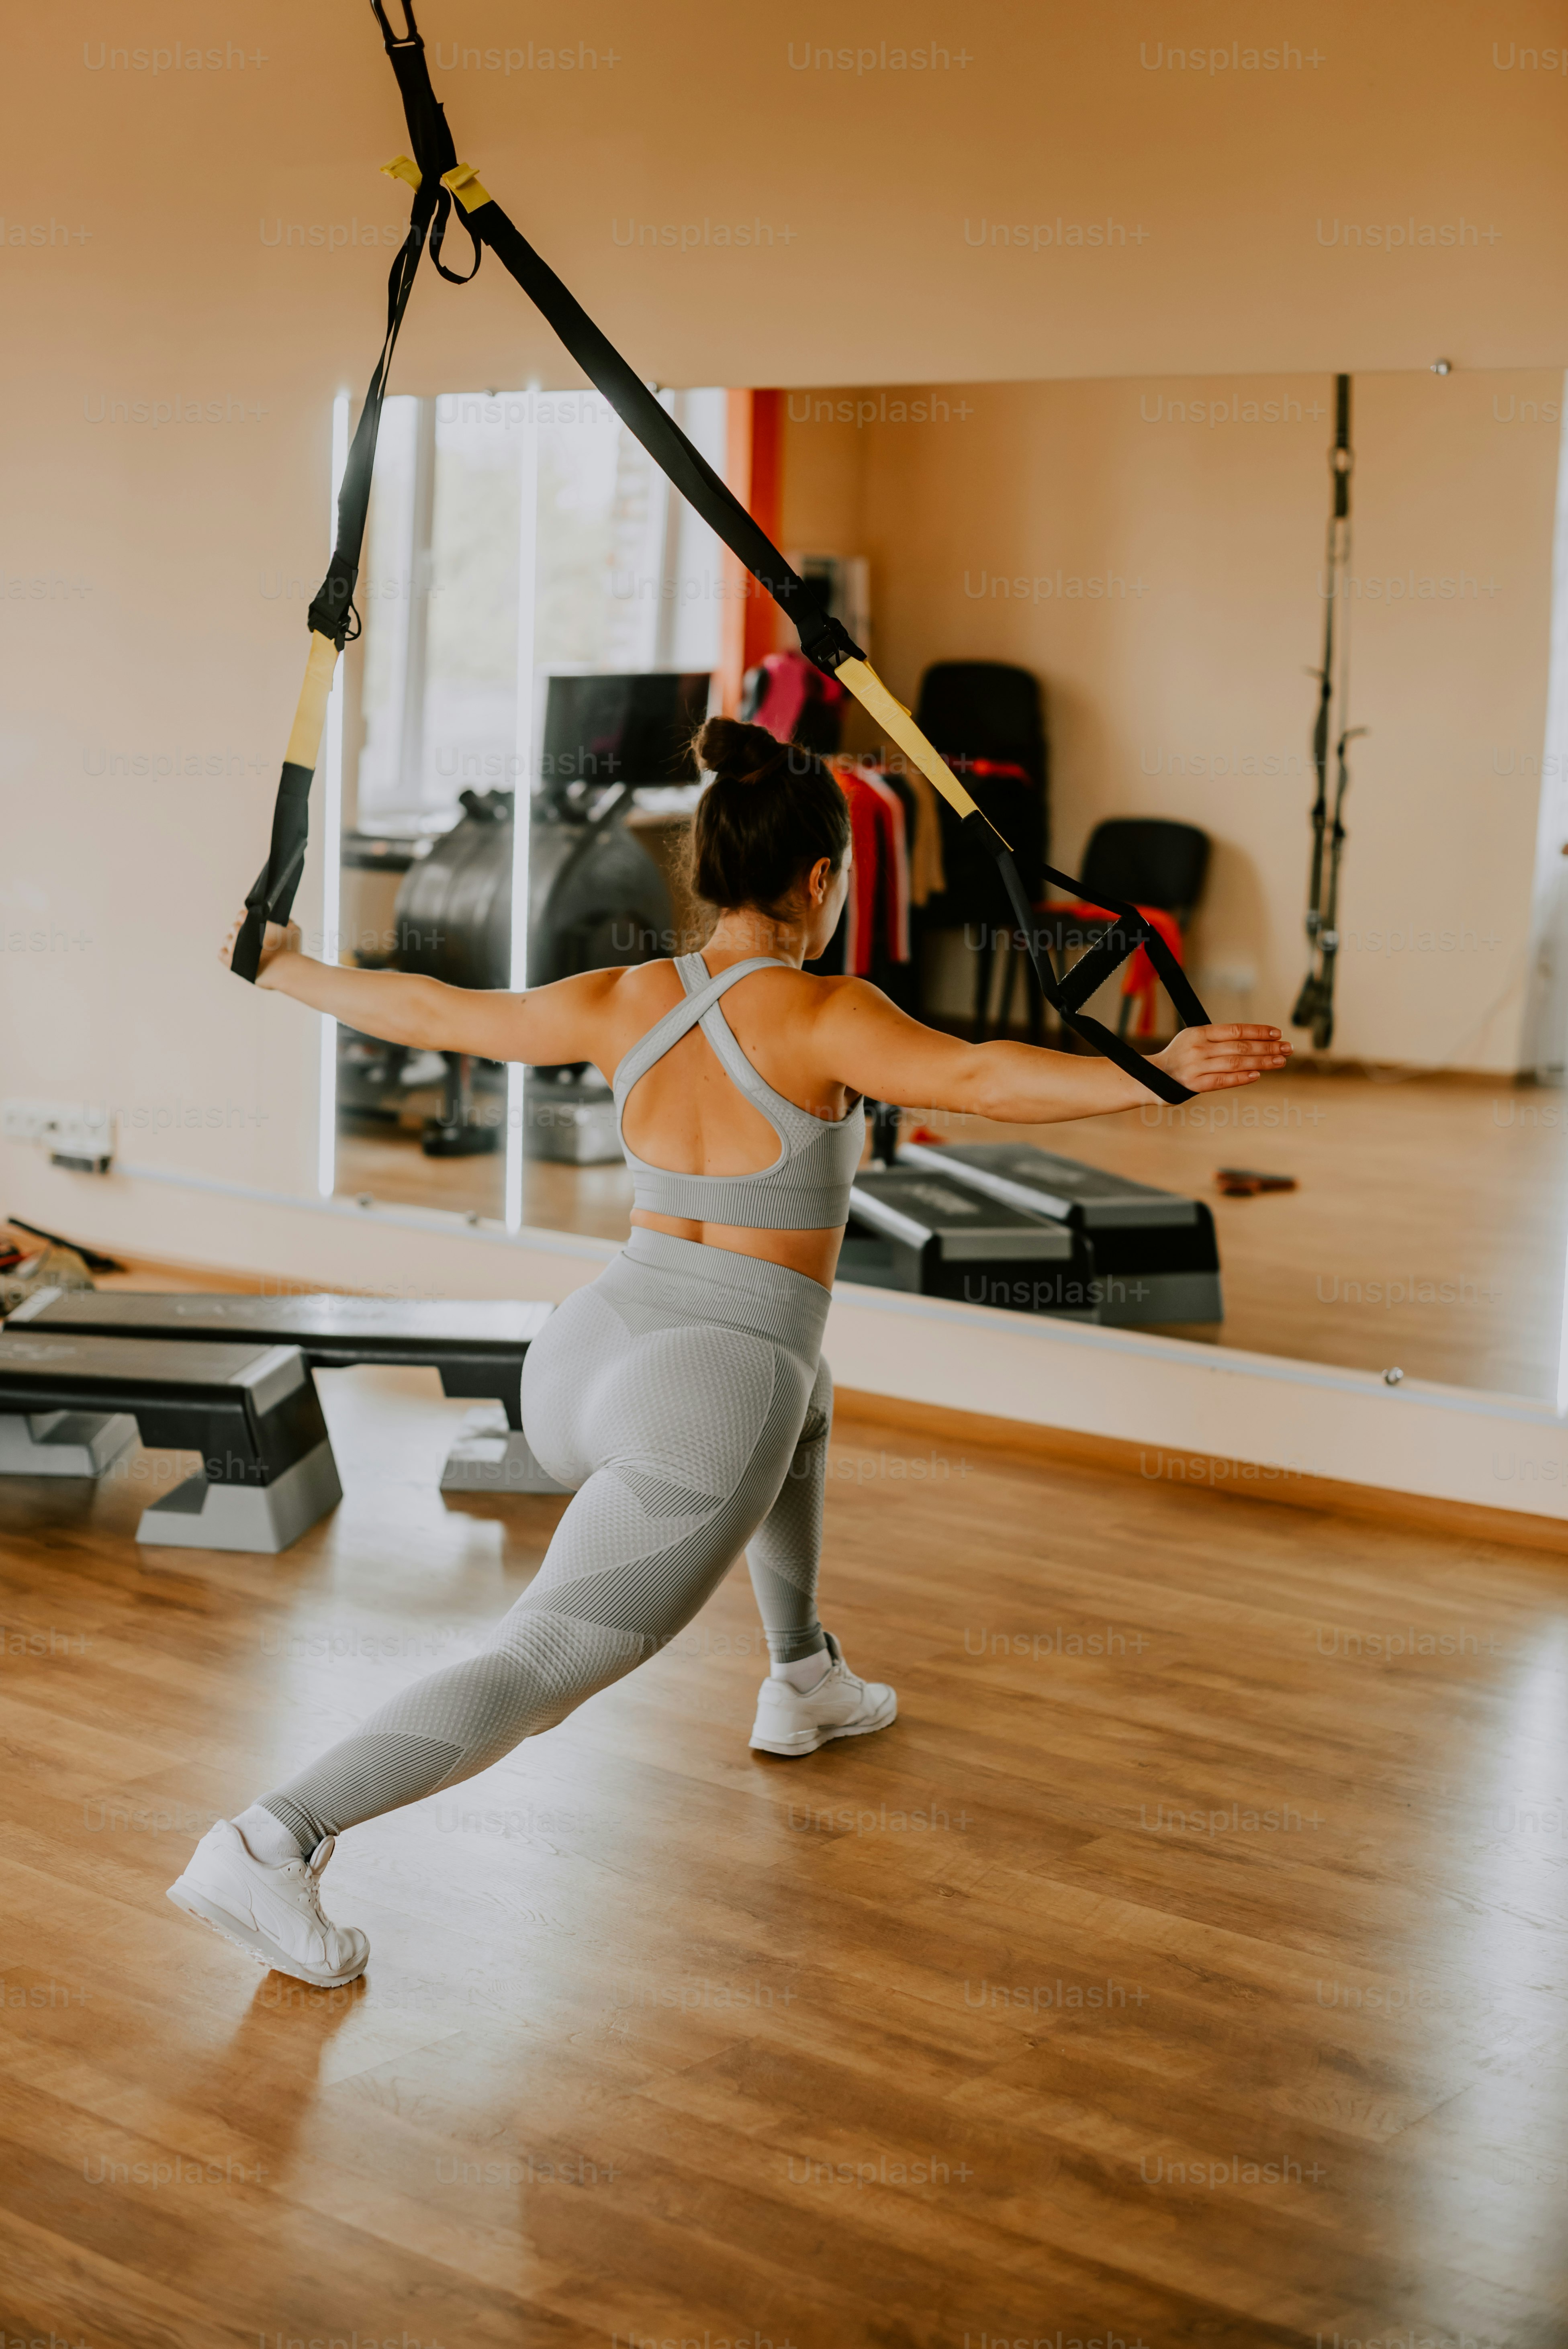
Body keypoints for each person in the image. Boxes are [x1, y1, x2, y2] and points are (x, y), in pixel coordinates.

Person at [168, 716, 1290, 1986]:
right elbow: (978, 1076)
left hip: (588, 1355)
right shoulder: (822, 1015)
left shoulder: (628, 995)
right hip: (707, 1384)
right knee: (544, 1655)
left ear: (703, 868)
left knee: (807, 1395)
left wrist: (285, 971)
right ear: (821, 881)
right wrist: (1159, 1074)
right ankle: (273, 1837)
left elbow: (437, 1009)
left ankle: (802, 1673)